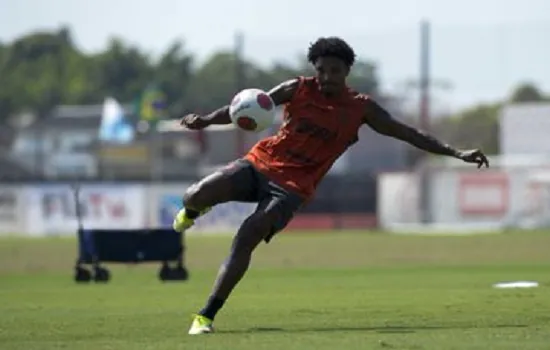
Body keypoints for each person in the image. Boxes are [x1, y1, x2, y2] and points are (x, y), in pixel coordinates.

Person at [174, 37, 489, 335]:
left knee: (247, 235)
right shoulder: (297, 88)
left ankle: (206, 315)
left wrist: (456, 152)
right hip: (260, 163)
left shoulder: (361, 108)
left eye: (334, 71)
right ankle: (192, 212)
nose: (326, 77)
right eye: (321, 70)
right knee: (195, 194)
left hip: (293, 187)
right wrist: (204, 121)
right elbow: (248, 107)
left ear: (347, 72)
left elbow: (408, 133)